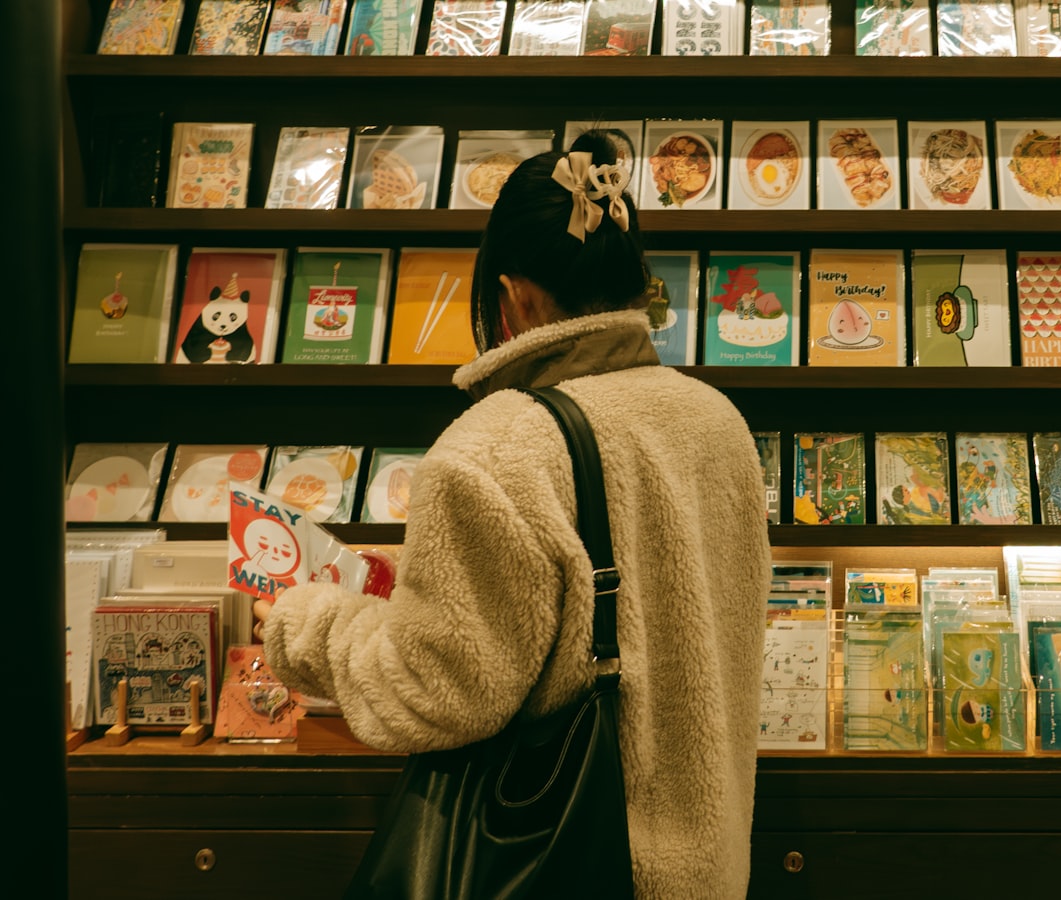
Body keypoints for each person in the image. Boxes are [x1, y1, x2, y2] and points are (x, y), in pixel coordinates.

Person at [254, 131, 773, 898]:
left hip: (578, 866)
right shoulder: (716, 420)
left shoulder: (498, 446)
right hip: (708, 869)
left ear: (515, 296)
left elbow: (432, 691)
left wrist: (308, 624)